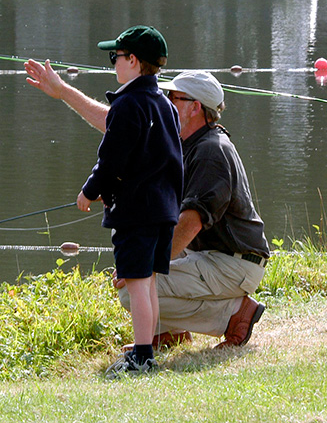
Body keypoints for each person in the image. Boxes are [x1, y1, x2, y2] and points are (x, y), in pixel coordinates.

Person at [24, 57, 270, 353]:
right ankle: (170, 333)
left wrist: (148, 265)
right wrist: (63, 90)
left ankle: (232, 315)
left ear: (195, 108)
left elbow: (190, 224)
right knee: (139, 270)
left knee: (134, 284)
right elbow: (118, 126)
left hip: (234, 262)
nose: (165, 101)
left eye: (174, 97)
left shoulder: (211, 153)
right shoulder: (182, 138)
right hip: (209, 255)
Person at [70, 25, 183, 374]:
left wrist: (89, 191)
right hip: (163, 209)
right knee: (146, 280)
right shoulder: (166, 105)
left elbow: (112, 160)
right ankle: (146, 350)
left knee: (136, 283)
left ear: (132, 60)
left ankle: (143, 356)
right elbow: (167, 161)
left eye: (115, 57)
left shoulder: (127, 105)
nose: (113, 63)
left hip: (136, 213)